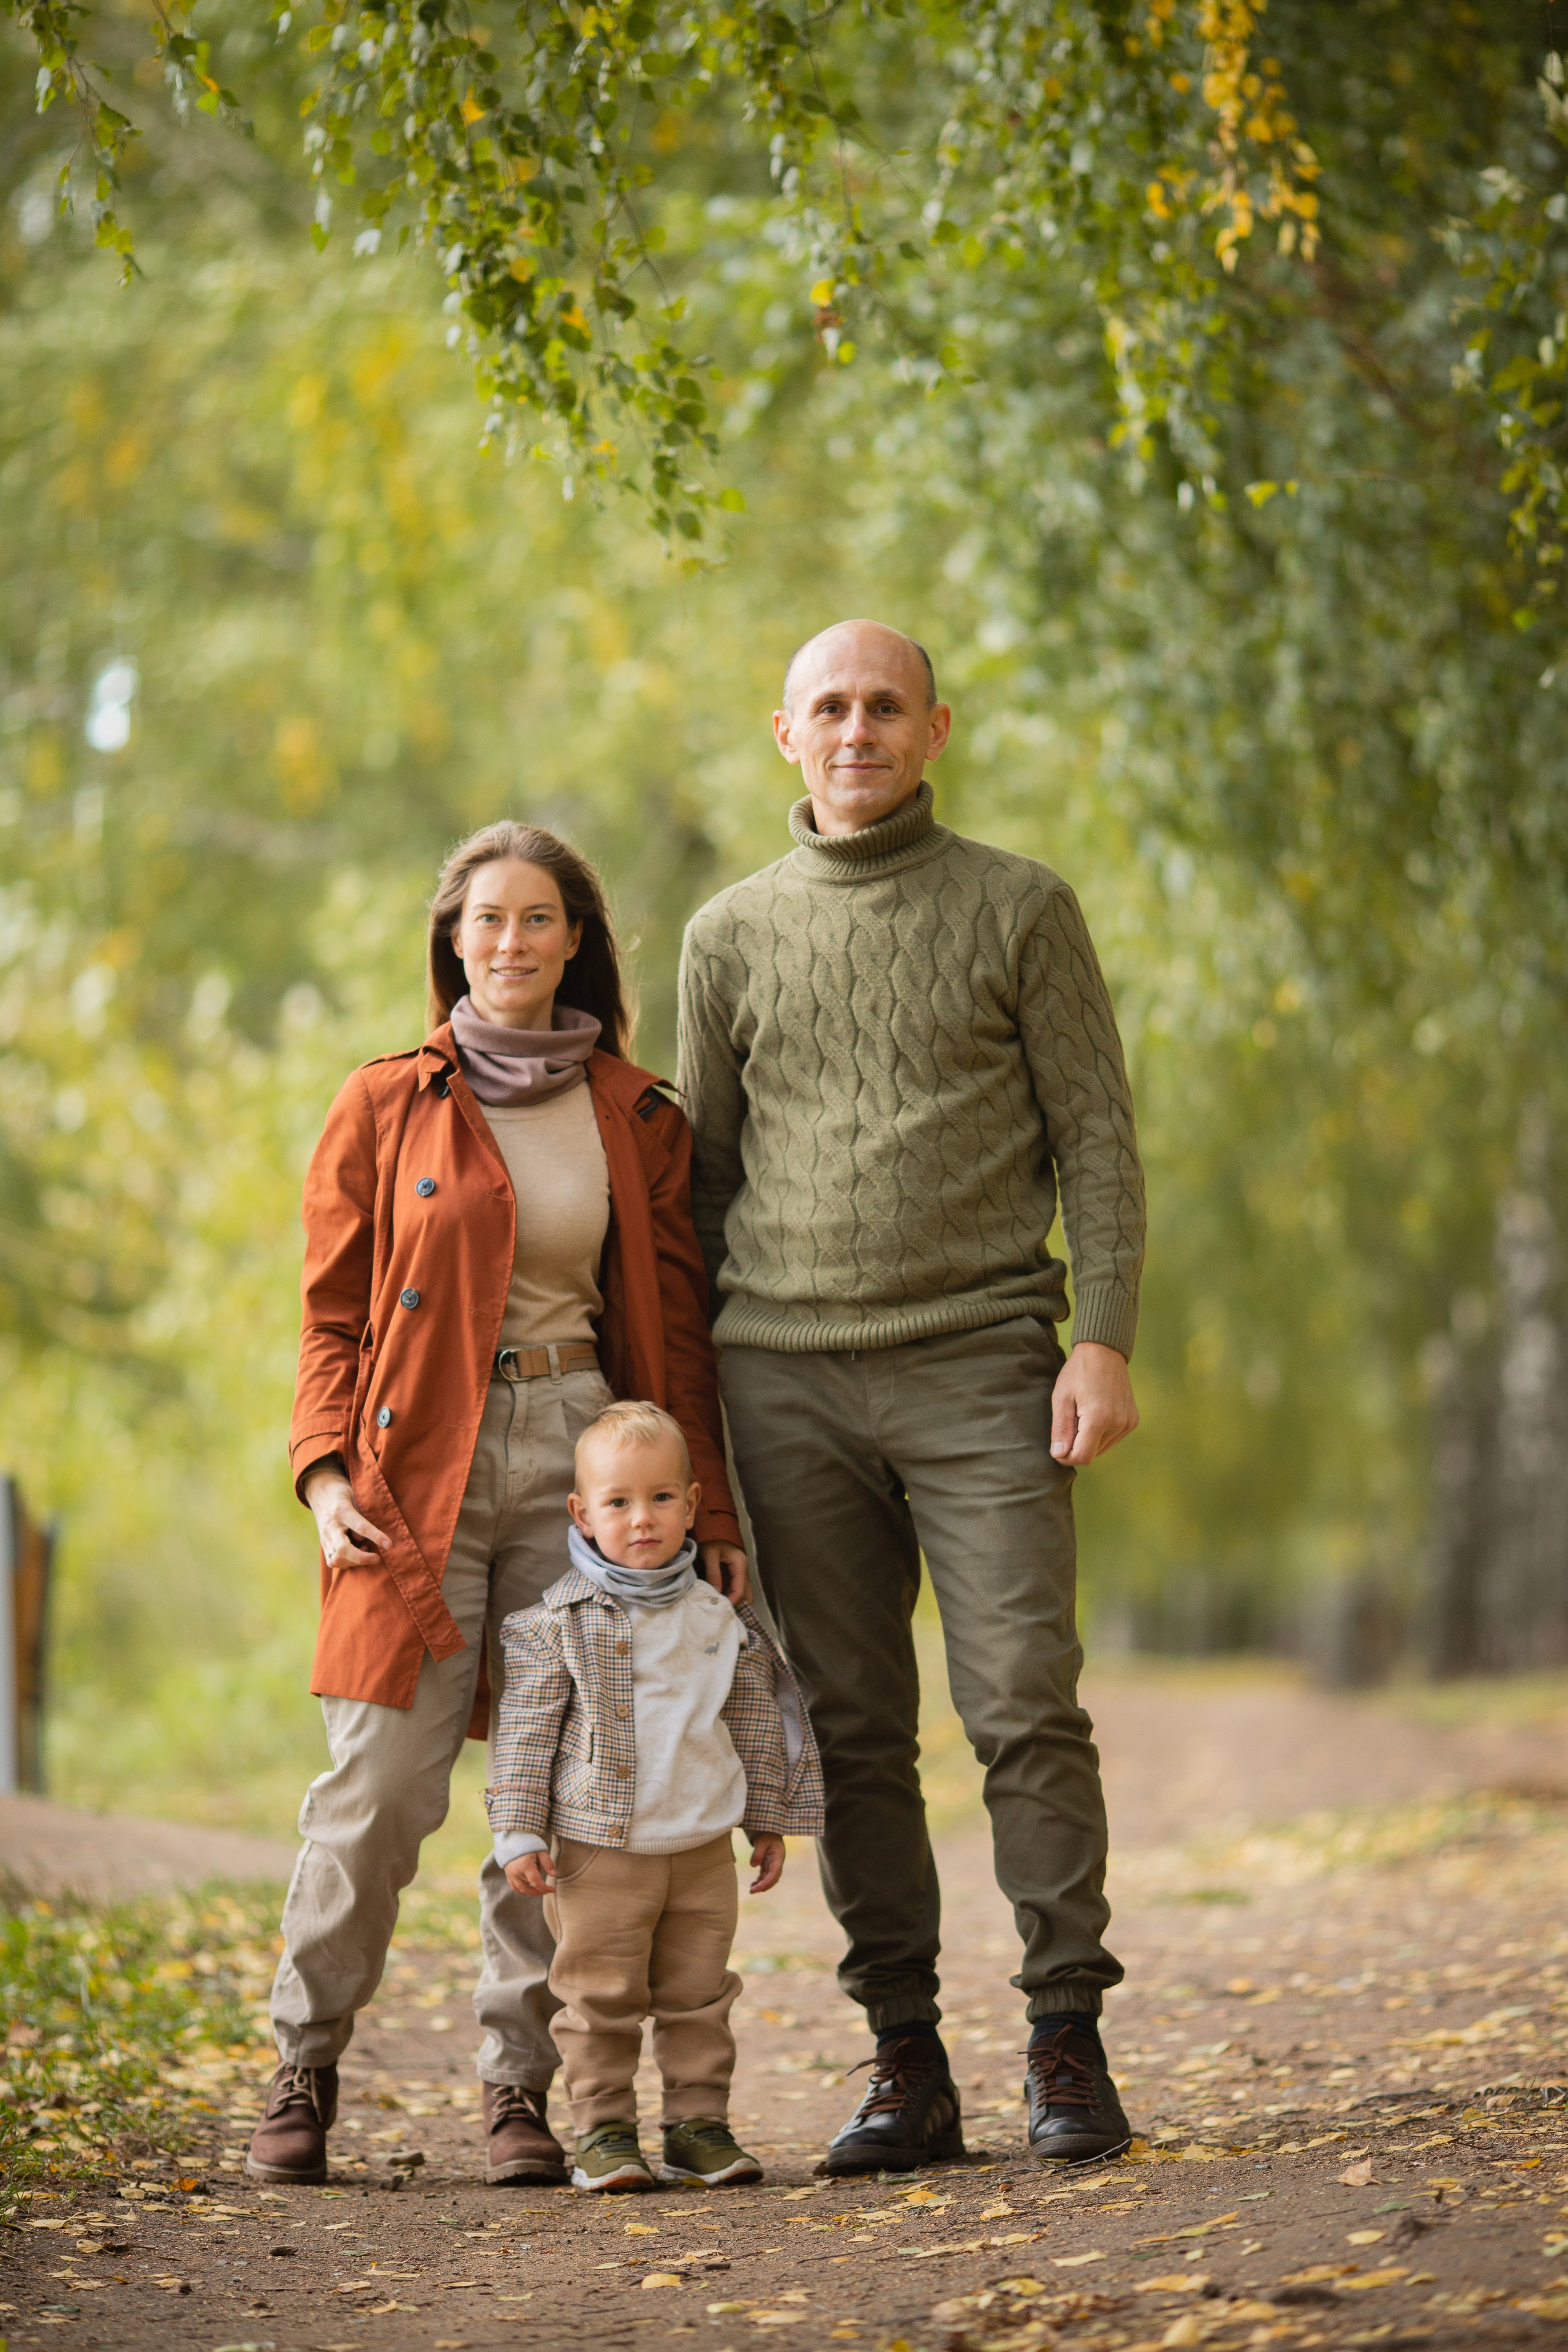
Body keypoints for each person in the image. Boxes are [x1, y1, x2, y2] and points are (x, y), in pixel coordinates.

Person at [677, 619, 1146, 2171]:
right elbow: (707, 1180)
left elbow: (1094, 1136)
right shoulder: (726, 935)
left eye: (885, 706)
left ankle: (1064, 2040)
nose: (857, 728)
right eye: (830, 706)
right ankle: (905, 2062)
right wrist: (688, 1419)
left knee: (1022, 1702)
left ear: (934, 730)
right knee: (854, 1733)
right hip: (783, 1379)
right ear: (784, 733)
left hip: (982, 1360)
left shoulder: (1020, 907)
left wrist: (1104, 1336)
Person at [248, 821, 748, 2190]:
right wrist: (323, 1469)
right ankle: (304, 2062)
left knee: (569, 1795)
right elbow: (330, 1317)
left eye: (538, 919)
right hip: (415, 1474)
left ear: (575, 936)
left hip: (591, 1467)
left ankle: (521, 2093)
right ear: (451, 940)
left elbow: (676, 1330)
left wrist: (704, 1514)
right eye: (486, 920)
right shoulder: (382, 1103)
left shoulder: (635, 1115)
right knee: (377, 1789)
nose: (511, 942)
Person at [488, 1399, 823, 2192]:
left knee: (699, 1995)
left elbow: (749, 1720)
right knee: (599, 1997)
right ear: (582, 1512)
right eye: (619, 1502)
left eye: (662, 1498)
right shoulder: (555, 1625)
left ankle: (697, 2127)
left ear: (693, 1503)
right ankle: (603, 2131)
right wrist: (519, 1833)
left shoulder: (719, 1618)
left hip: (701, 1849)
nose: (643, 1519)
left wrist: (766, 1819)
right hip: (601, 1851)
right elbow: (525, 1737)